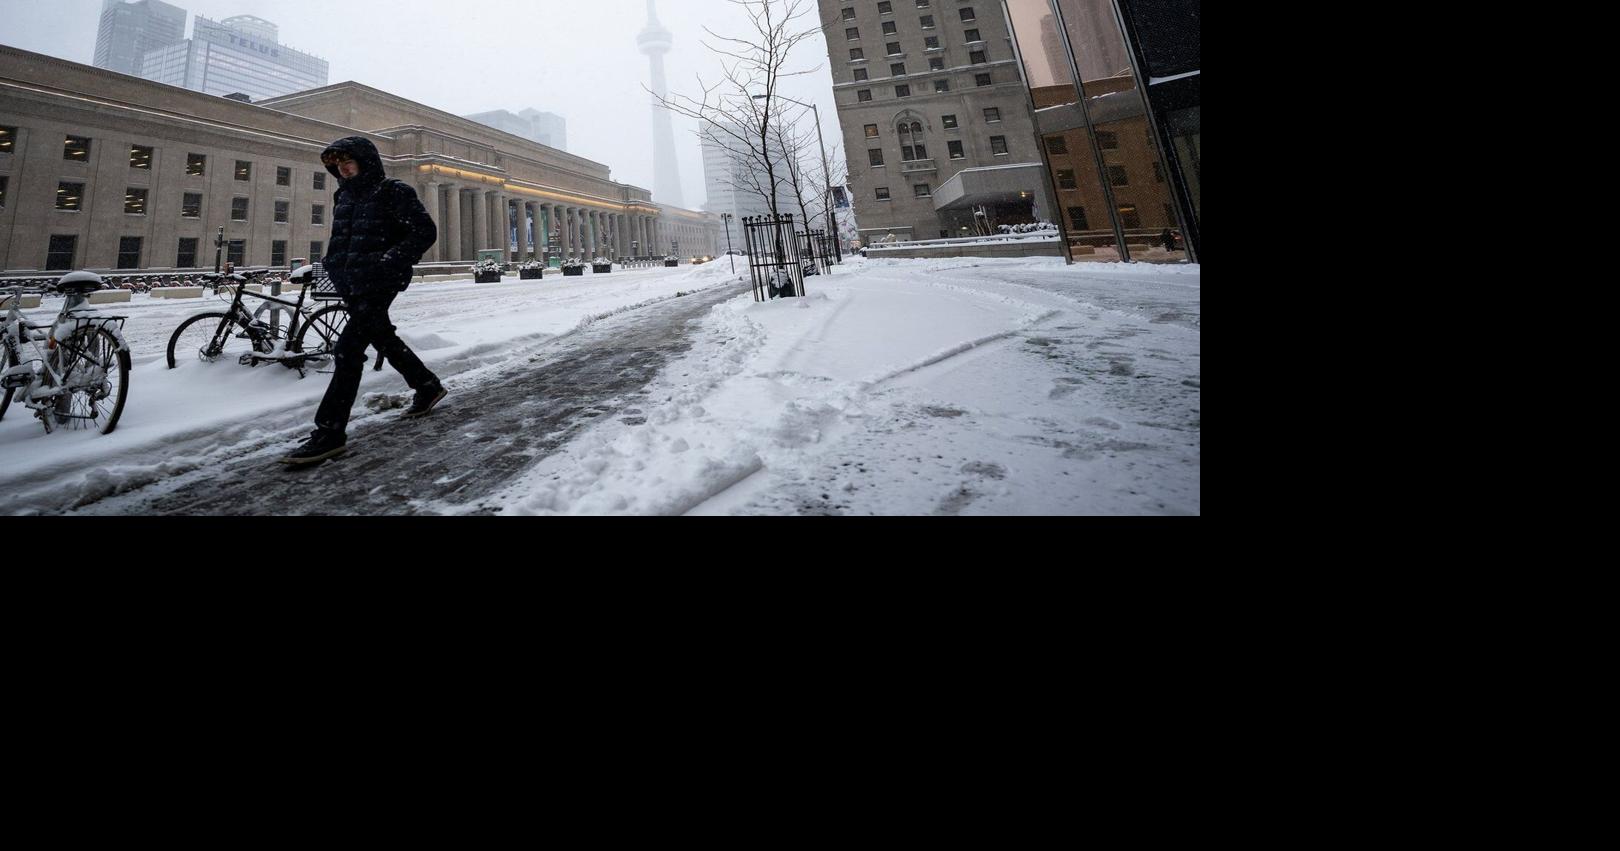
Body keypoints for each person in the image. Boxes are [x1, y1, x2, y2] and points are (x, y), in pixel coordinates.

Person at [282, 136, 445, 467]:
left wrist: (389, 259)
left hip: (381, 280)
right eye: (337, 165)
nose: (342, 168)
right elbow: (340, 239)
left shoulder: (393, 191)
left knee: (347, 351)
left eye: (348, 162)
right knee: (381, 335)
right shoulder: (343, 195)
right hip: (351, 281)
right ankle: (427, 386)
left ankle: (330, 432)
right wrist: (329, 266)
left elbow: (424, 231)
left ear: (365, 161)